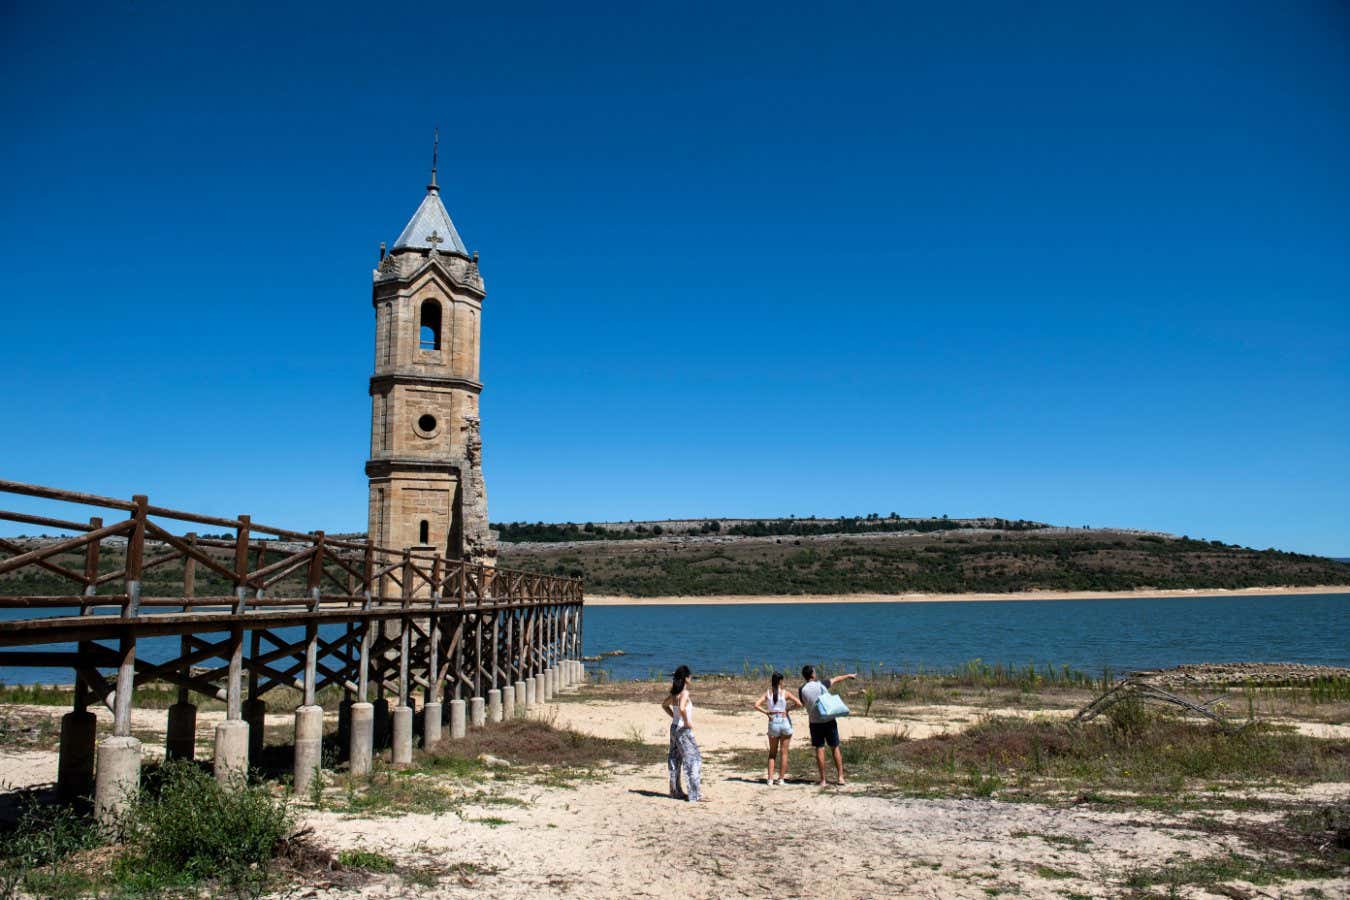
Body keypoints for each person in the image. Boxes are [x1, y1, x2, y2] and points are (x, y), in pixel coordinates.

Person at [798, 664, 858, 786]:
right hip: (829, 719)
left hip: (814, 722)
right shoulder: (822, 684)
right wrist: (849, 676)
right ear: (813, 674)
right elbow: (836, 679)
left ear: (804, 676)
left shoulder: (801, 689)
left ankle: (823, 780)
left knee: (820, 749)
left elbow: (803, 704)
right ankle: (840, 777)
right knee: (835, 748)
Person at [661, 665, 708, 802]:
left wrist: (674, 717)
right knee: (694, 759)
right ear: (686, 678)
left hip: (674, 727)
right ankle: (695, 794)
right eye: (690, 676)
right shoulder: (684, 693)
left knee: (674, 759)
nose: (691, 678)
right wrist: (686, 721)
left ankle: (675, 790)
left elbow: (664, 705)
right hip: (682, 729)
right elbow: (681, 708)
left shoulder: (674, 693)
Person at [753, 672, 802, 785]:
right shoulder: (785, 693)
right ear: (781, 681)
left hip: (773, 720)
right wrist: (789, 709)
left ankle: (770, 779)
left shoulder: (768, 694)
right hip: (784, 721)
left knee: (772, 753)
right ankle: (781, 779)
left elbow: (756, 705)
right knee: (784, 753)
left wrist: (766, 712)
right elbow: (799, 703)